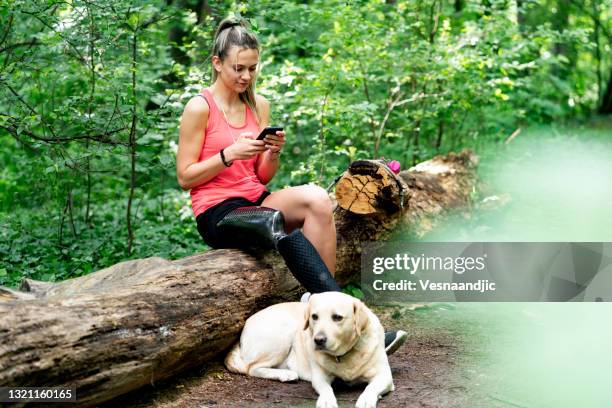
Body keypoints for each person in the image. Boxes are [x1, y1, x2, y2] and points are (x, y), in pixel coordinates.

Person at [176, 17, 406, 355]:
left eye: (253, 69)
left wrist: (271, 153)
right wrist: (228, 154)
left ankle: (328, 316)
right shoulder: (199, 107)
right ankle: (359, 332)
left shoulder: (258, 105)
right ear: (217, 63)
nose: (246, 77)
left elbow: (262, 176)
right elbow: (185, 177)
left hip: (255, 198)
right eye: (239, 68)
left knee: (316, 198)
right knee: (274, 222)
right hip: (218, 212)